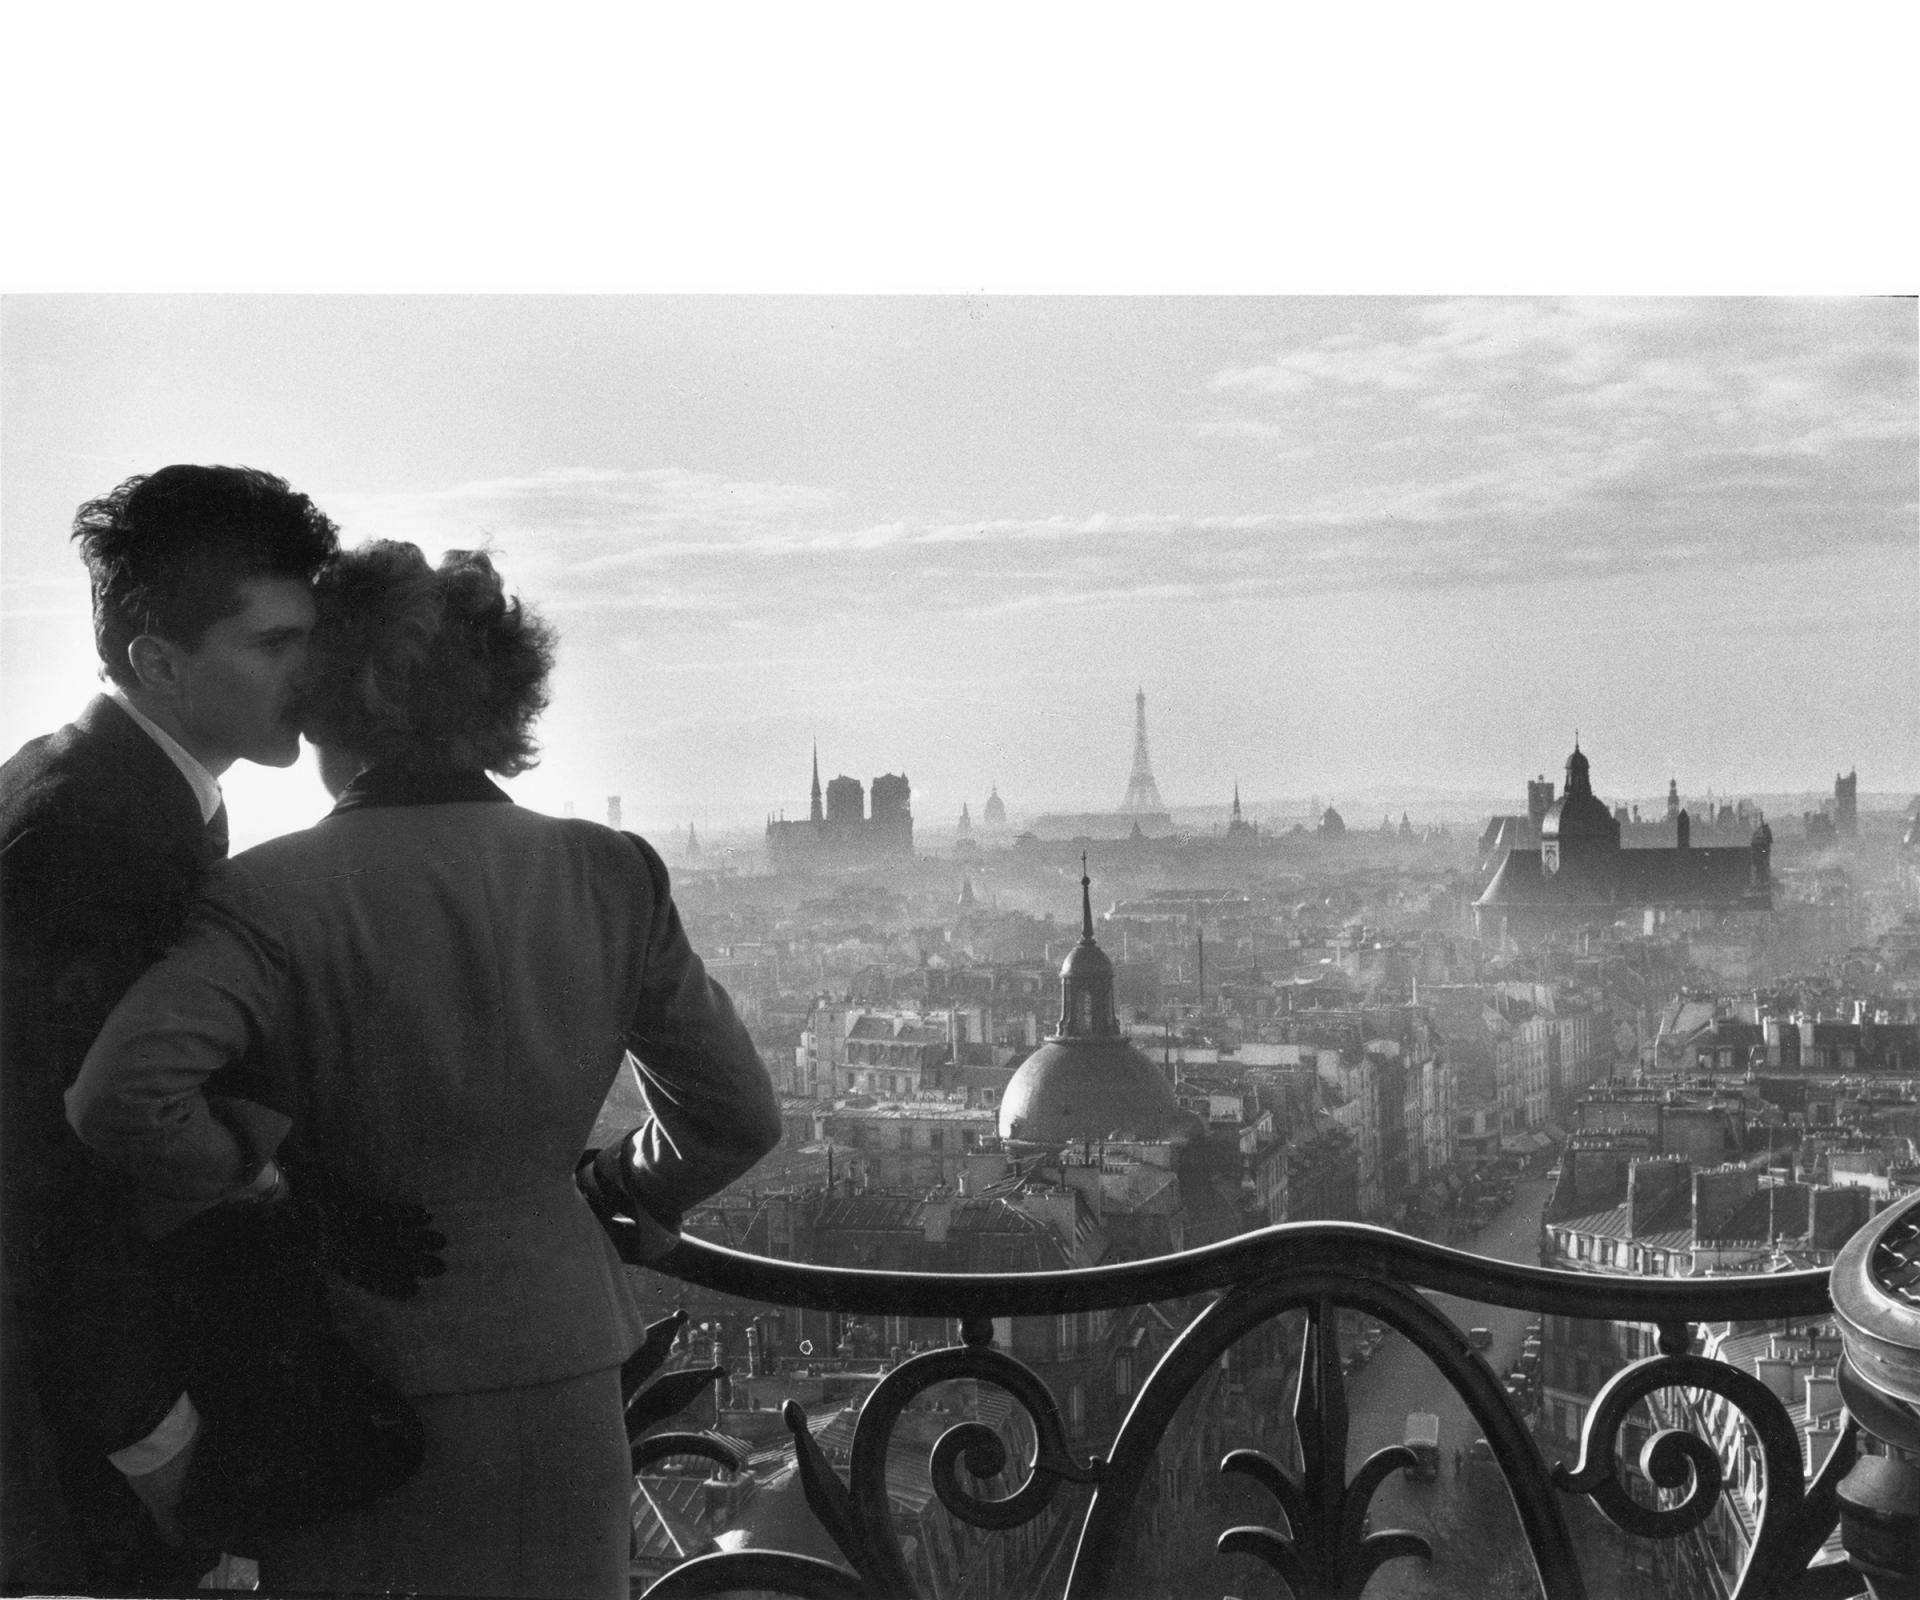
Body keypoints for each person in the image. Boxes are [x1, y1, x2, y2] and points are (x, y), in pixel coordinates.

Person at [68, 540, 784, 1600]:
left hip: (352, 1373)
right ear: (506, 696)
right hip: (562, 1356)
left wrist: (265, 1177)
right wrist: (616, 1188)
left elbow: (118, 1096)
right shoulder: (608, 871)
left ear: (327, 702)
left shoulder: (275, 893)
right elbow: (736, 1114)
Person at [0, 464, 339, 1590]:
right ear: (158, 661)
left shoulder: (89, 786)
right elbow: (51, 1180)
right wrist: (166, 1449)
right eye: (273, 644)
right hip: (78, 1439)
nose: (311, 672)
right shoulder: (97, 838)